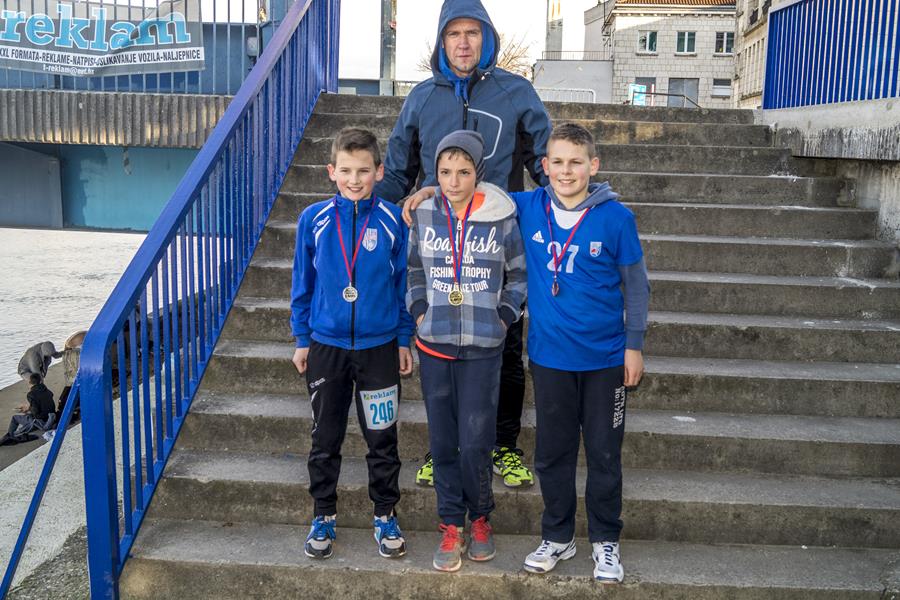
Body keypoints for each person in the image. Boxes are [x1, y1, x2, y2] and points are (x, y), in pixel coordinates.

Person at [378, 0, 551, 490]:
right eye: (454, 34)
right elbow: (397, 172)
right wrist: (365, 217)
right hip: (439, 248)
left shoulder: (516, 92)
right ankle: (443, 449)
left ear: (487, 38)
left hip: (495, 244)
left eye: (473, 33)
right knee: (442, 353)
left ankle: (503, 446)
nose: (463, 42)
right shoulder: (421, 98)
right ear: (441, 42)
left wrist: (574, 209)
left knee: (507, 347)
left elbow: (545, 163)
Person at [514, 123, 649, 583]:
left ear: (593, 165)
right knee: (552, 453)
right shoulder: (527, 206)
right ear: (544, 166)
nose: (566, 171)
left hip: (605, 360)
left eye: (576, 162)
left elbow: (636, 287)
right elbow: (470, 193)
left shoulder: (617, 218)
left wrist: (634, 345)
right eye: (557, 162)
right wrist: (428, 189)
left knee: (604, 453)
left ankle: (606, 540)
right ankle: (558, 535)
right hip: (550, 358)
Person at [290, 128, 414, 560]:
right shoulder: (314, 219)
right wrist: (302, 338)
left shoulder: (394, 220)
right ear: (331, 171)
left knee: (382, 438)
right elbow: (302, 284)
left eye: (363, 171)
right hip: (327, 347)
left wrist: (403, 339)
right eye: (345, 171)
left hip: (380, 348)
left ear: (379, 171)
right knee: (325, 437)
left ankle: (385, 514)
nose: (354, 179)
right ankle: (323, 514)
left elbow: (403, 285)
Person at [407, 130, 527, 572]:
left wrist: (504, 316)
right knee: (443, 442)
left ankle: (479, 518)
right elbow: (413, 270)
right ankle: (450, 523)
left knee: (476, 442)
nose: (453, 181)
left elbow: (519, 274)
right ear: (434, 173)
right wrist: (420, 311)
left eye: (462, 172)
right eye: (444, 172)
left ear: (479, 173)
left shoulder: (501, 216)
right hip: (435, 344)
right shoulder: (424, 214)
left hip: (484, 345)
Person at [6, 374, 56, 439]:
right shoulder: (47, 391)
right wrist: (29, 408)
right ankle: (24, 429)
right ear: (40, 381)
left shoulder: (31, 394)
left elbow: (35, 412)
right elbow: (43, 404)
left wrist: (25, 411)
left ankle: (9, 436)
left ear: (29, 382)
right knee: (27, 419)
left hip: (40, 419)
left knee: (15, 418)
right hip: (50, 415)